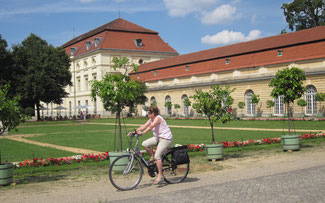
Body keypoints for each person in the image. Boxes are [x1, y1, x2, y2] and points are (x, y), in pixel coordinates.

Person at [129, 106, 173, 185]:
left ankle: (160, 175)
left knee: (157, 156)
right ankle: (152, 157)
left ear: (153, 113)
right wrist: (134, 132)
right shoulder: (151, 119)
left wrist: (142, 133)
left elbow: (150, 127)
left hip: (165, 138)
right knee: (144, 144)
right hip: (158, 138)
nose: (147, 113)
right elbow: (144, 126)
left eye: (149, 112)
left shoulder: (158, 118)